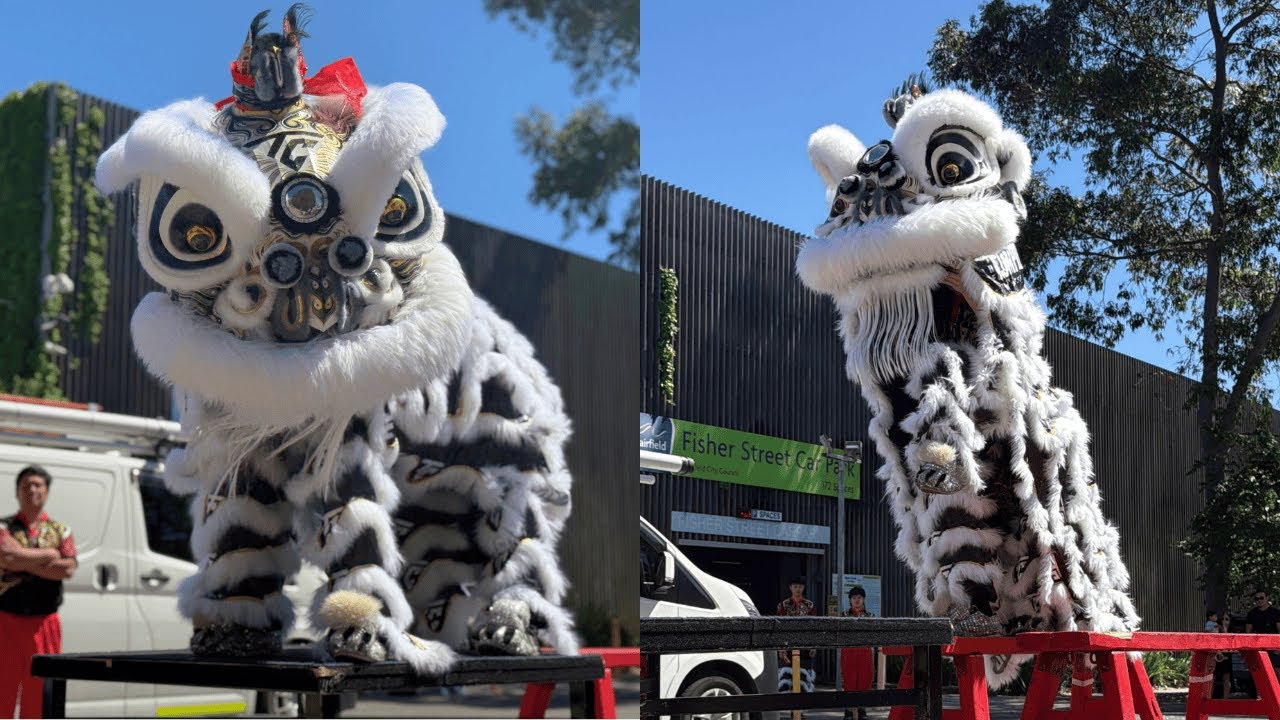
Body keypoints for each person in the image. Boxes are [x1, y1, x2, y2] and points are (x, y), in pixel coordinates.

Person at [0, 466, 77, 719]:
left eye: (37, 485)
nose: (32, 489)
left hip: (45, 624)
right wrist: (49, 555)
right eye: (26, 485)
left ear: (46, 491)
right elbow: (6, 556)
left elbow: (67, 568)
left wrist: (21, 561)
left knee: (40, 698)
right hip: (6, 622)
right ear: (17, 492)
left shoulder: (60, 530)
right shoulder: (4, 527)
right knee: (2, 693)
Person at [776, 578, 816, 695]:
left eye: (800, 587)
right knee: (786, 679)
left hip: (805, 645)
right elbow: (779, 626)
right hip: (787, 644)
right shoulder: (783, 605)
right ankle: (788, 708)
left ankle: (800, 709)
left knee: (803, 678)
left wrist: (813, 645)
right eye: (795, 586)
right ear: (790, 588)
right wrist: (780, 647)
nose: (798, 589)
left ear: (803, 588)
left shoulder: (810, 605)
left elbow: (814, 626)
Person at [840, 586, 874, 720]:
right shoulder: (843, 616)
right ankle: (848, 710)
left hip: (865, 652)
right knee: (849, 680)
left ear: (863, 599)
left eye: (859, 598)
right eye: (854, 598)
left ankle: (862, 710)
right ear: (850, 600)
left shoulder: (870, 616)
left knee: (865, 680)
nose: (857, 600)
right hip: (848, 652)